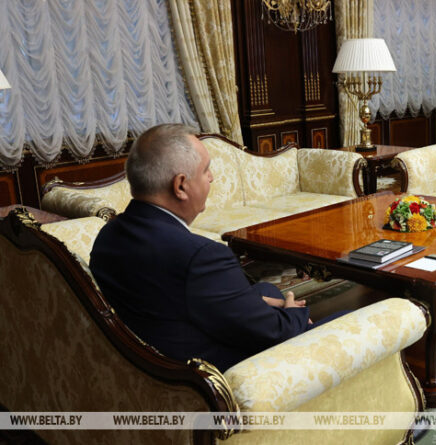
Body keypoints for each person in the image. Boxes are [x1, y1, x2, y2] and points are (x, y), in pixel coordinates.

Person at [90, 124, 312, 372]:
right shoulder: (201, 257)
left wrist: (266, 303)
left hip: (146, 362)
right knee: (337, 320)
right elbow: (277, 334)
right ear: (180, 186)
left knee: (266, 290)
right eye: (206, 170)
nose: (211, 177)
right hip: (214, 375)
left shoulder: (107, 236)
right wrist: (292, 312)